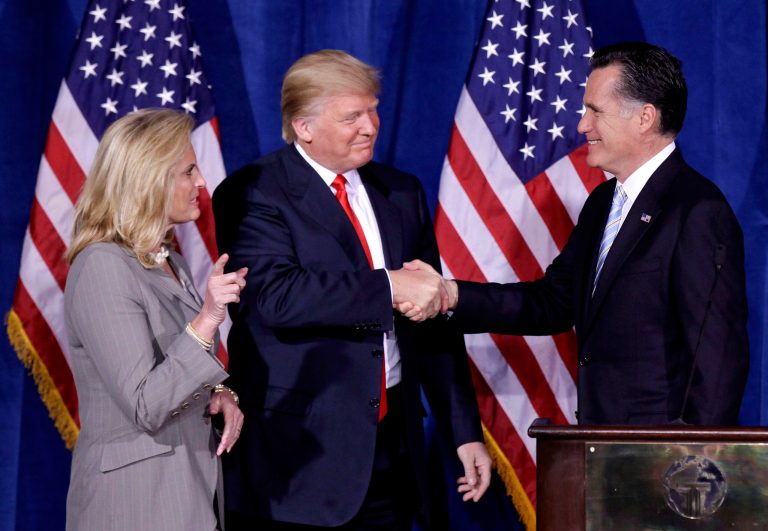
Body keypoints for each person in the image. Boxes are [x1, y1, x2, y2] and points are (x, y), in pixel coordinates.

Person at [213, 50, 491, 530]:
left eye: (373, 110)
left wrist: (464, 431)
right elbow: (274, 298)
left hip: (392, 452)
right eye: (352, 117)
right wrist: (389, 286)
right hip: (296, 464)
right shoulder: (254, 192)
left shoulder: (400, 192)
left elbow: (431, 318)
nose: (370, 126)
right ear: (304, 127)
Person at [405, 42, 749, 426]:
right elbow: (552, 302)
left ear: (645, 118)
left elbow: (718, 360)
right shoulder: (603, 202)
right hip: (600, 441)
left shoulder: (698, 211)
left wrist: (694, 458)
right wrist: (452, 294)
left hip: (657, 452)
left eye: (595, 111)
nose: (582, 125)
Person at [64, 108, 247, 531]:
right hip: (136, 503)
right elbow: (146, 404)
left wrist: (218, 392)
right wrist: (208, 318)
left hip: (189, 491)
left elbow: (175, 371)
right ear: (149, 179)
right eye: (188, 172)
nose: (201, 183)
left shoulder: (171, 262)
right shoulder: (102, 266)